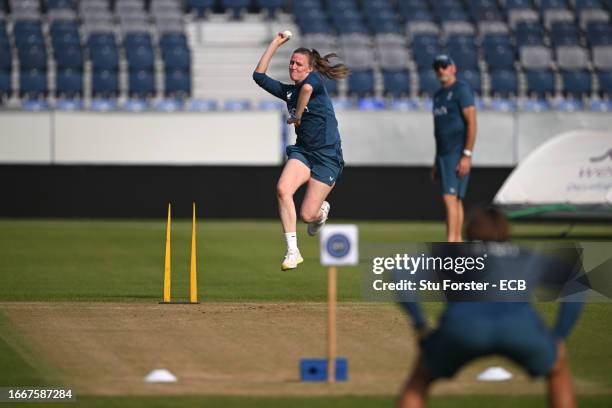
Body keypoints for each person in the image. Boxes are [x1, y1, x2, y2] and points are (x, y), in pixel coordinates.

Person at [397, 208, 584, 408]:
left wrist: (419, 324)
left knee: (421, 377)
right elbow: (576, 282)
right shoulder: (526, 255)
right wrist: (559, 336)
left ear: (469, 231)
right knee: (557, 371)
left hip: (462, 329)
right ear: (507, 232)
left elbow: (401, 276)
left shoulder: (451, 254)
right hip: (520, 329)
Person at [253, 33, 349, 270]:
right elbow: (258, 76)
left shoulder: (314, 80)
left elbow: (306, 89)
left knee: (308, 215)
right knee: (282, 189)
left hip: (327, 157)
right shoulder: (288, 92)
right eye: (292, 63)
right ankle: (292, 251)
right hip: (304, 152)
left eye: (298, 64)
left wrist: (296, 114)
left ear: (309, 68)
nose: (293, 66)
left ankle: (321, 212)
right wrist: (275, 43)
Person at [430, 55, 477, 242]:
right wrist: (436, 161)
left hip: (456, 153)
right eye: (437, 67)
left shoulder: (461, 90)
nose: (441, 69)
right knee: (455, 199)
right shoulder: (438, 96)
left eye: (444, 65)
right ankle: (457, 241)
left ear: (453, 67)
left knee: (450, 198)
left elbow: (472, 122)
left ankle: (452, 242)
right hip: (443, 154)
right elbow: (438, 131)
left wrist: (467, 154)